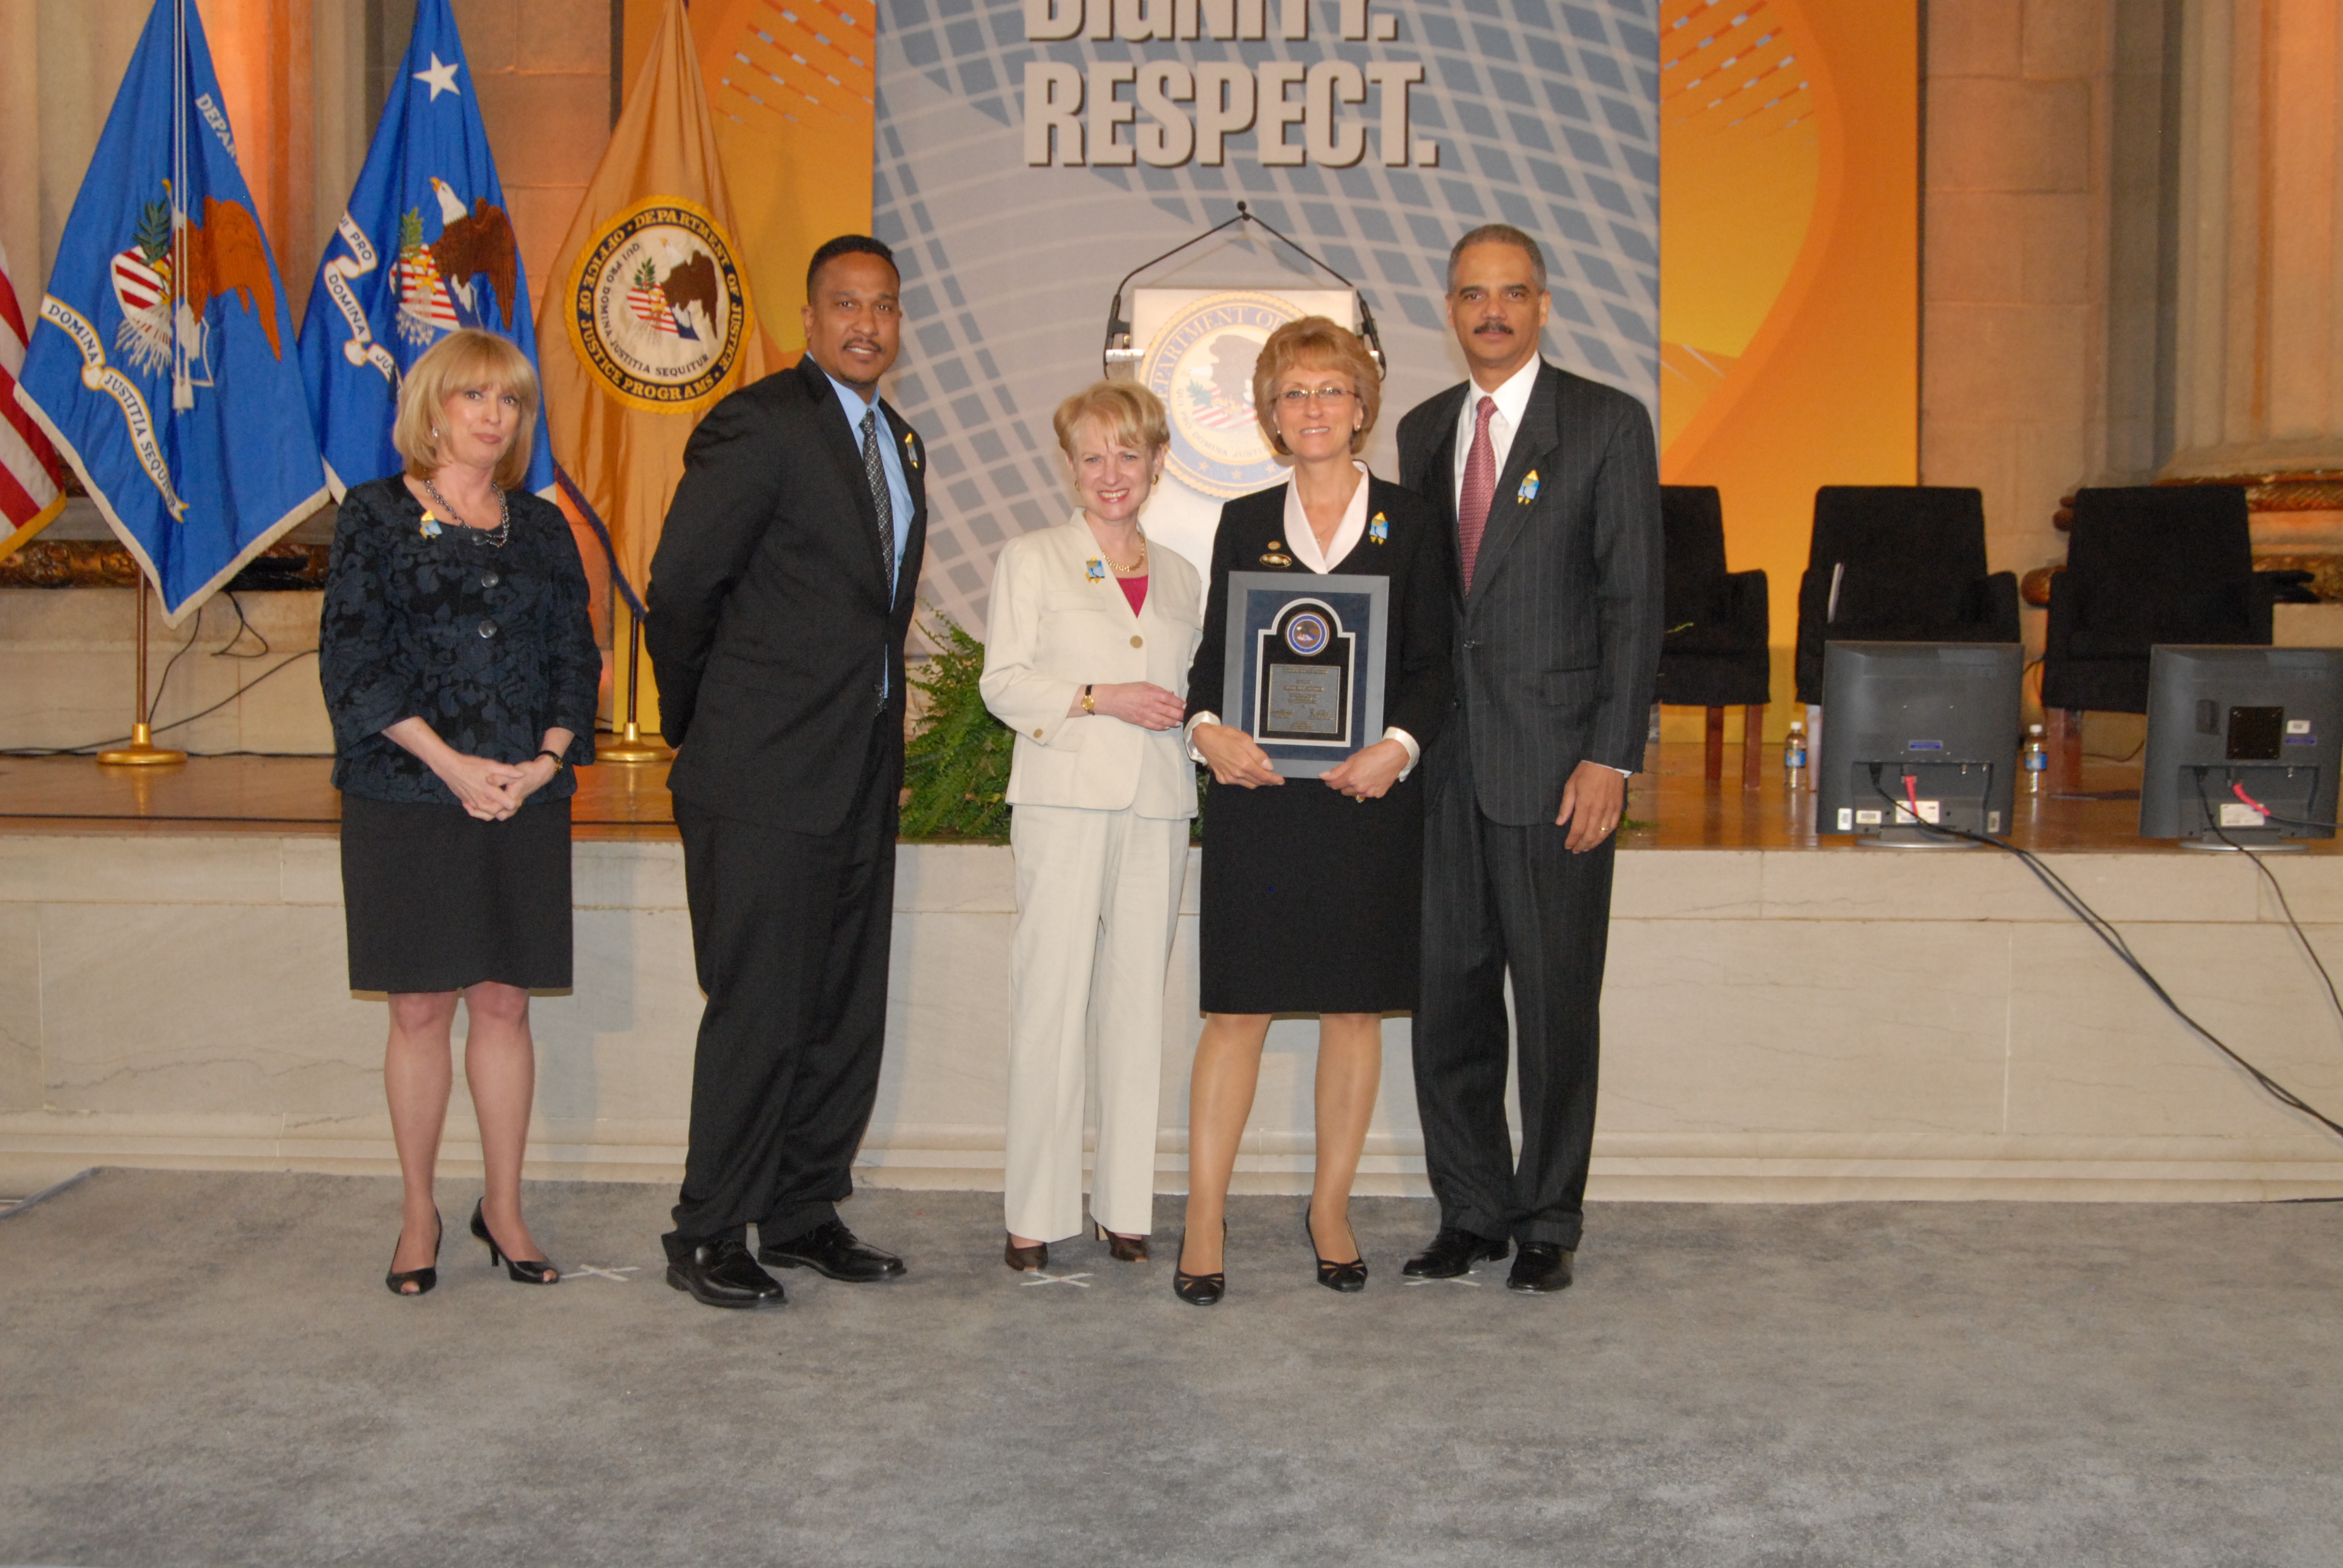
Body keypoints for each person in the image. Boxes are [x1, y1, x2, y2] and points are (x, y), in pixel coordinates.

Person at [644, 235, 928, 1310]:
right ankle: (710, 1226)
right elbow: (679, 594)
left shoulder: (899, 441)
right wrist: (704, 726)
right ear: (807, 320)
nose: (866, 324)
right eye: (845, 305)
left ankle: (805, 1207)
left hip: (858, 774)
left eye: (885, 307)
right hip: (759, 777)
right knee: (760, 1008)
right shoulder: (758, 424)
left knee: (842, 1005)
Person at [1394, 224, 1663, 1293]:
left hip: (1559, 770)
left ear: (1543, 306)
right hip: (1441, 771)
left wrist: (1612, 757)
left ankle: (1549, 1215)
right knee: (1449, 1000)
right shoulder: (1420, 432)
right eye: (1472, 294)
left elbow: (1635, 604)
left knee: (1553, 1001)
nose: (1492, 311)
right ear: (1450, 310)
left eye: (1513, 293)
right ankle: (1472, 1209)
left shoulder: (1602, 424)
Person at [1176, 316, 1454, 1304]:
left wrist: (1400, 750)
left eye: (1331, 390)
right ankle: (1204, 1216)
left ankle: (1329, 1209)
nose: (1313, 409)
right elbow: (1215, 656)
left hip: (1367, 800)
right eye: (1293, 393)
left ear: (1362, 406)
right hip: (1261, 797)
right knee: (1237, 1011)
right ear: (1268, 414)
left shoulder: (1413, 521)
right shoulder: (1244, 519)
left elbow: (1433, 665)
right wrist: (1208, 727)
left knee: (1350, 1009)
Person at [318, 327, 599, 1298]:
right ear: (432, 408)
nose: (493, 416)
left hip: (523, 795)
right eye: (475, 397)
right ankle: (416, 1212)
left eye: (511, 401)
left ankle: (505, 1207)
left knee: (505, 1002)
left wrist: (540, 764)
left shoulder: (545, 527)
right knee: (420, 1007)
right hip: (409, 793)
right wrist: (451, 765)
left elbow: (577, 661)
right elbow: (355, 663)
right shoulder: (373, 516)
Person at [978, 382, 1202, 1273]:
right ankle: (1034, 1213)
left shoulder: (1184, 575)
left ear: (1157, 462)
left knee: (1137, 1006)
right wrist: (1097, 697)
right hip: (1064, 796)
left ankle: (1125, 1207)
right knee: (1051, 1001)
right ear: (1068, 466)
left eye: (1129, 454)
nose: (1113, 474)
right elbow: (1003, 683)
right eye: (1093, 457)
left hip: (1157, 803)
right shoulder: (1031, 559)